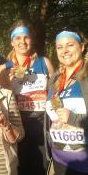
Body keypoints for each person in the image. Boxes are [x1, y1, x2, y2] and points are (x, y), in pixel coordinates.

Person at [0, 20, 54, 175]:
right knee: (20, 169)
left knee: (41, 168)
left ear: (32, 40)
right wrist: (6, 83)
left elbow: (55, 93)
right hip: (17, 124)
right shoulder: (3, 68)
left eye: (26, 37)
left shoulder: (45, 63)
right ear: (12, 42)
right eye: (18, 38)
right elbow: (1, 102)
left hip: (42, 125)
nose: (22, 41)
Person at [46, 30, 88, 175]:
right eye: (59, 47)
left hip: (83, 164)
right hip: (59, 159)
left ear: (82, 47)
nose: (64, 51)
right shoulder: (55, 80)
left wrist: (72, 118)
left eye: (70, 45)